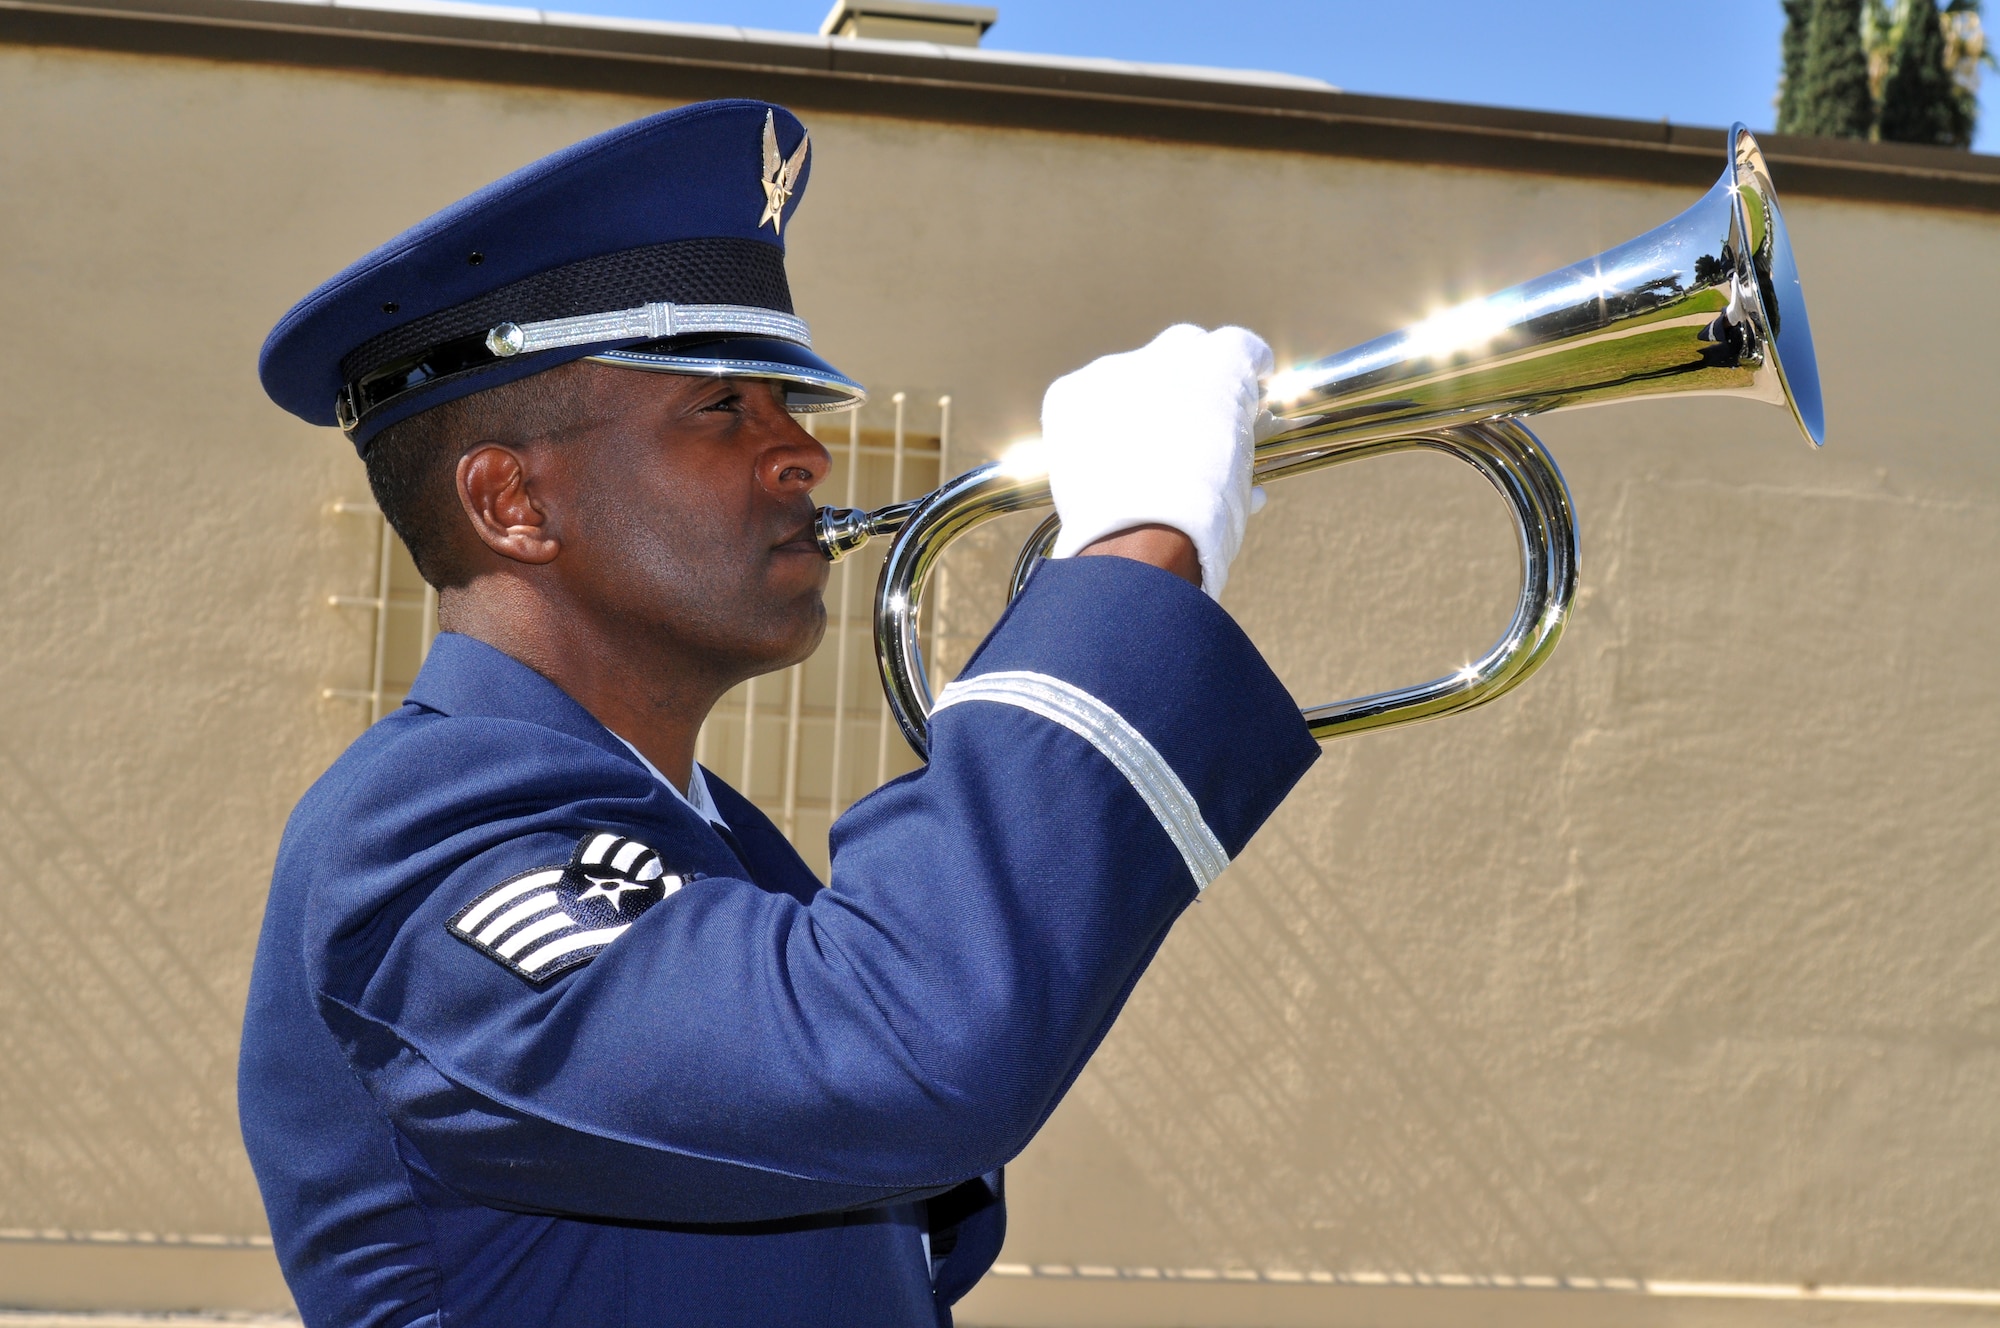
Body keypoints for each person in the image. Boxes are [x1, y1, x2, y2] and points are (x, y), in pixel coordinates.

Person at [239, 99, 1318, 1328]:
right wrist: (1135, 551)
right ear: (513, 501)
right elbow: (901, 1053)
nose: (803, 452)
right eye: (721, 408)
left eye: (789, 404)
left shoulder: (709, 841)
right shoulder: (417, 834)